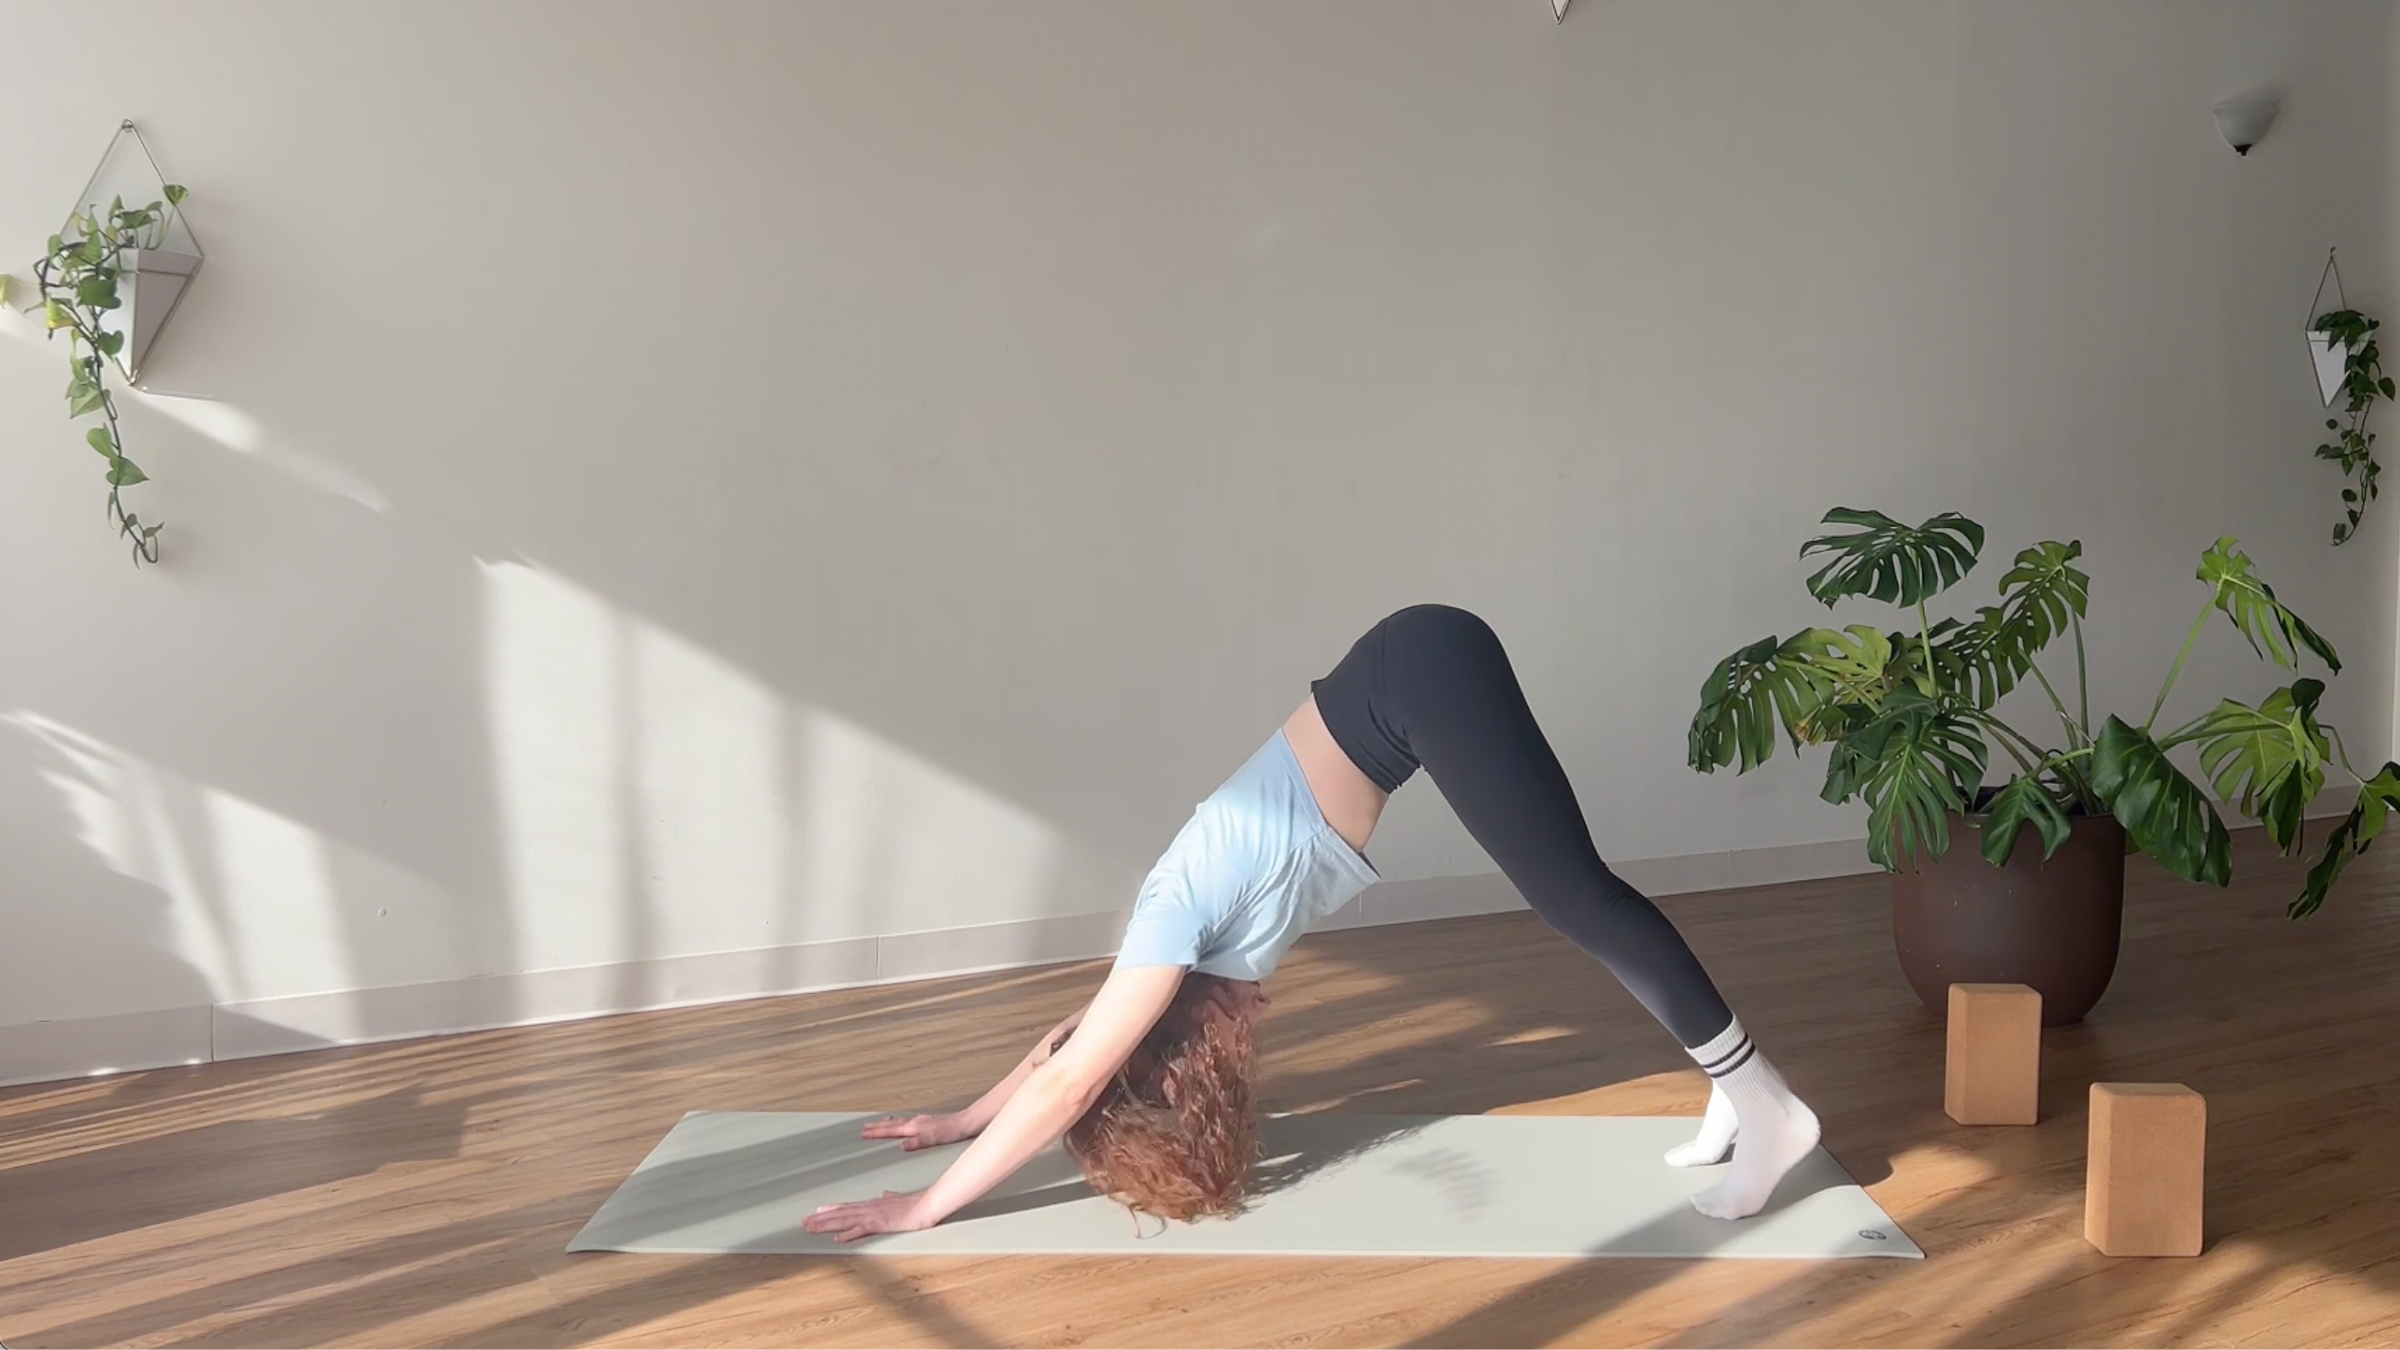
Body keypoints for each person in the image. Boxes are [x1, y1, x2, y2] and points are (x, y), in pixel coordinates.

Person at [802, 603, 1820, 1243]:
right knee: (1573, 893)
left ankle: (1769, 1107)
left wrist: (926, 1206)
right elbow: (1070, 1050)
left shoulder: (1170, 929)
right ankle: (1730, 1087)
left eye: (1203, 1060)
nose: (1241, 1044)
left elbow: (1071, 1078)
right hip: (1410, 683)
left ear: (1181, 1032)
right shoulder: (1176, 961)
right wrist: (962, 1118)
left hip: (1418, 674)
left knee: (1572, 896)